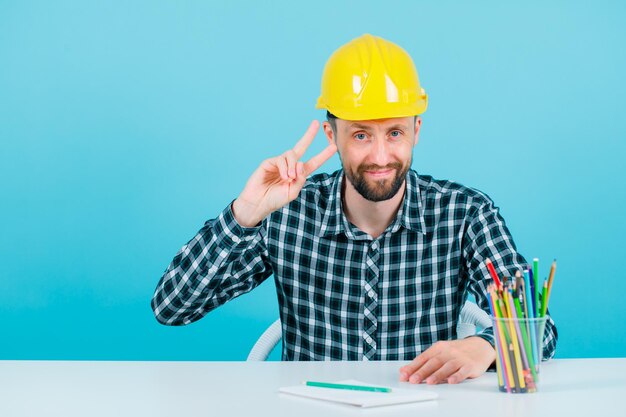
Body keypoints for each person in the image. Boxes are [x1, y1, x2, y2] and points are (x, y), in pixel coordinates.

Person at [151, 34, 557, 385]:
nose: (381, 156)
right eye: (361, 135)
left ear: (417, 129)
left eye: (395, 132)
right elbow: (172, 307)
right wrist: (244, 213)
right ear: (333, 135)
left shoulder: (465, 213)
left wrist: (484, 347)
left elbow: (541, 329)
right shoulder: (288, 212)